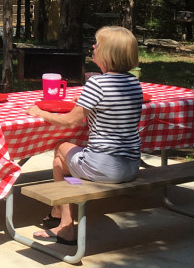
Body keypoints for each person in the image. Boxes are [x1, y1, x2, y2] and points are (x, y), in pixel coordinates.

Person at [26, 26, 143, 245]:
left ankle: (65, 224)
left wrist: (40, 112)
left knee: (60, 149)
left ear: (109, 52)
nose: (93, 47)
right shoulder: (134, 82)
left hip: (105, 167)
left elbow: (71, 120)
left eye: (97, 44)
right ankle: (61, 216)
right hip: (131, 165)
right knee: (66, 158)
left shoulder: (97, 83)